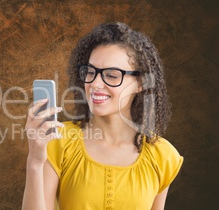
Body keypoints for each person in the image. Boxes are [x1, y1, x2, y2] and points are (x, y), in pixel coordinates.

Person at [22, 22, 184, 210]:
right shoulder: (58, 140)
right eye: (90, 72)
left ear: (141, 83)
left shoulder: (162, 156)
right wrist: (34, 161)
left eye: (112, 75)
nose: (95, 84)